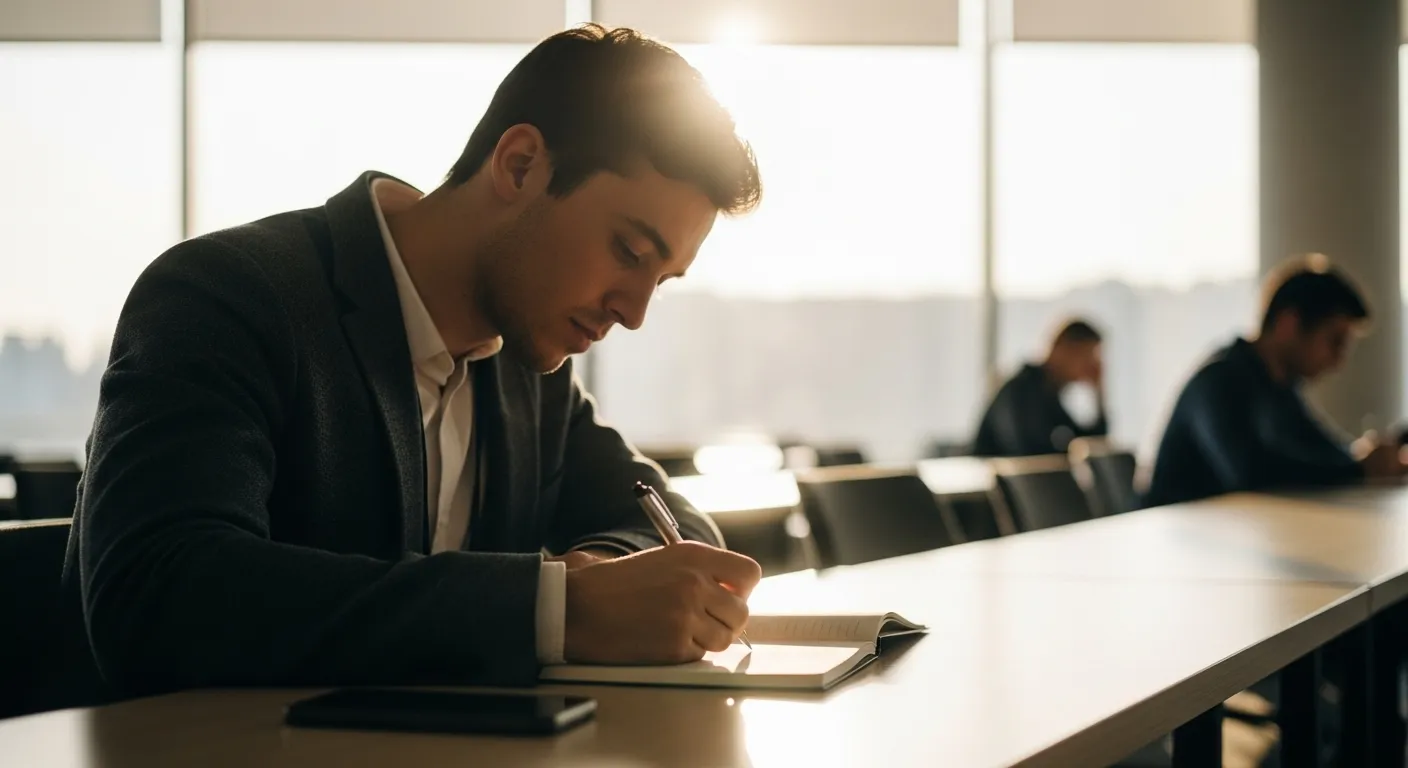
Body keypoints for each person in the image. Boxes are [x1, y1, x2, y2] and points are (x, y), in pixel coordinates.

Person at [62, 25, 764, 697]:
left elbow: (670, 516)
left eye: (660, 280)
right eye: (629, 252)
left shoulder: (529, 370)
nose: (634, 312)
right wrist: (558, 609)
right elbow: (157, 595)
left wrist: (610, 580)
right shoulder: (228, 296)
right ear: (520, 165)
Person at [1143, 256, 1404, 508]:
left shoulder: (1279, 388)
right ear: (1289, 324)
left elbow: (1326, 452)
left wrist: (1371, 461)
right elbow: (1250, 473)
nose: (1339, 360)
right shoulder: (1220, 381)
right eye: (1335, 342)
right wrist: (1360, 468)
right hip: (1174, 543)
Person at [971, 319, 1109, 457]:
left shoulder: (1049, 393)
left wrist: (1098, 391)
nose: (1090, 365)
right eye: (1085, 356)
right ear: (1062, 349)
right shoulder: (1022, 390)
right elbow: (1032, 452)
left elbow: (1091, 444)